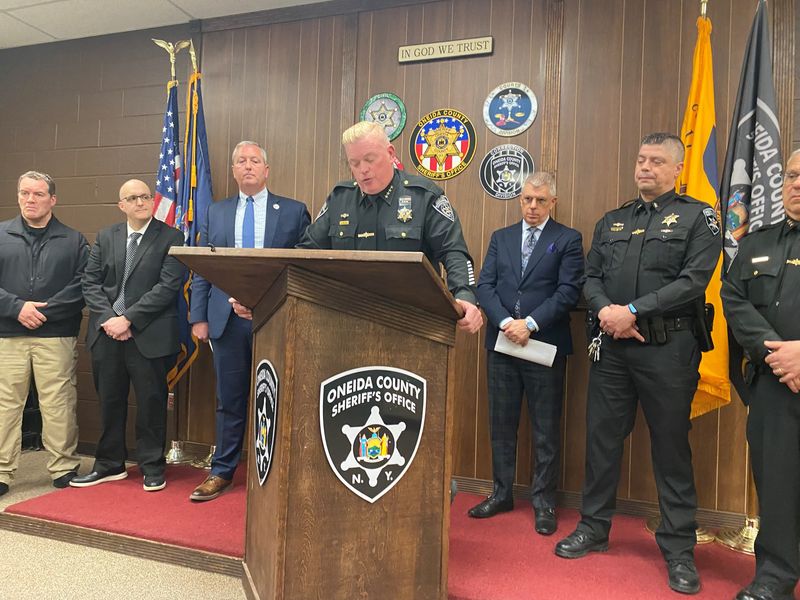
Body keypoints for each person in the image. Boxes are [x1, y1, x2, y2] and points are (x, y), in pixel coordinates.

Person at [554, 133, 720, 595]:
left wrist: (634, 311)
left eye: (656, 161)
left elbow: (693, 281)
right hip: (612, 347)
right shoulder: (614, 219)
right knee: (601, 440)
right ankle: (594, 527)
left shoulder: (698, 217)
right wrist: (610, 312)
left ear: (677, 169)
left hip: (668, 351)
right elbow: (591, 276)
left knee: (671, 447)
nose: (645, 167)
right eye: (641, 159)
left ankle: (679, 549)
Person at [189, 141, 310, 502]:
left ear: (266, 169)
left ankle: (275, 470)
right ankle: (222, 470)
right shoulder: (216, 212)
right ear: (233, 170)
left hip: (275, 316)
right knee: (230, 398)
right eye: (240, 161)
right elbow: (202, 267)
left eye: (254, 160)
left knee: (279, 397)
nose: (248, 166)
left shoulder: (292, 211)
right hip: (225, 320)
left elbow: (303, 266)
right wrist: (198, 317)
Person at [468, 172, 584, 536]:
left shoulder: (567, 239)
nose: (532, 207)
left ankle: (544, 501)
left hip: (544, 344)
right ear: (520, 200)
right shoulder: (500, 238)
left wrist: (529, 323)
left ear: (553, 202)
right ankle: (501, 493)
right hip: (503, 344)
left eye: (540, 201)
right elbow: (484, 285)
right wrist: (505, 322)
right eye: (526, 199)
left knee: (545, 427)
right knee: (501, 424)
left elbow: (568, 292)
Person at [295, 121, 482, 334]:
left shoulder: (424, 196)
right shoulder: (340, 200)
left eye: (369, 159)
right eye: (354, 163)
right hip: (348, 321)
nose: (363, 169)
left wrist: (464, 295)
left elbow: (453, 251)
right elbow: (306, 252)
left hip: (415, 323)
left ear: (390, 152)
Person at [721, 149, 800, 600]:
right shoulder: (758, 241)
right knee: (777, 481)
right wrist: (778, 355)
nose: (797, 184)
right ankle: (774, 577)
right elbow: (734, 298)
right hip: (774, 385)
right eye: (791, 175)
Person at [71, 179, 185, 492]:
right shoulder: (107, 236)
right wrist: (110, 319)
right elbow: (90, 283)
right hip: (106, 333)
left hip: (148, 334)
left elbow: (167, 286)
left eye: (145, 196)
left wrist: (129, 319)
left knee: (151, 402)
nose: (140, 202)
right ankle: (109, 464)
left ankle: (151, 466)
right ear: (121, 205)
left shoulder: (172, 236)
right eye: (132, 198)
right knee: (110, 401)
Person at [0, 171, 87, 496]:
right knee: (5, 404)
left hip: (56, 336)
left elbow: (82, 286)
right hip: (8, 334)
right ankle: (2, 471)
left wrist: (42, 312)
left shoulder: (73, 239)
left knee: (58, 403)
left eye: (38, 194)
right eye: (24, 193)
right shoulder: (1, 234)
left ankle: (63, 467)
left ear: (52, 199)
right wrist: (16, 308)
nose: (30, 200)